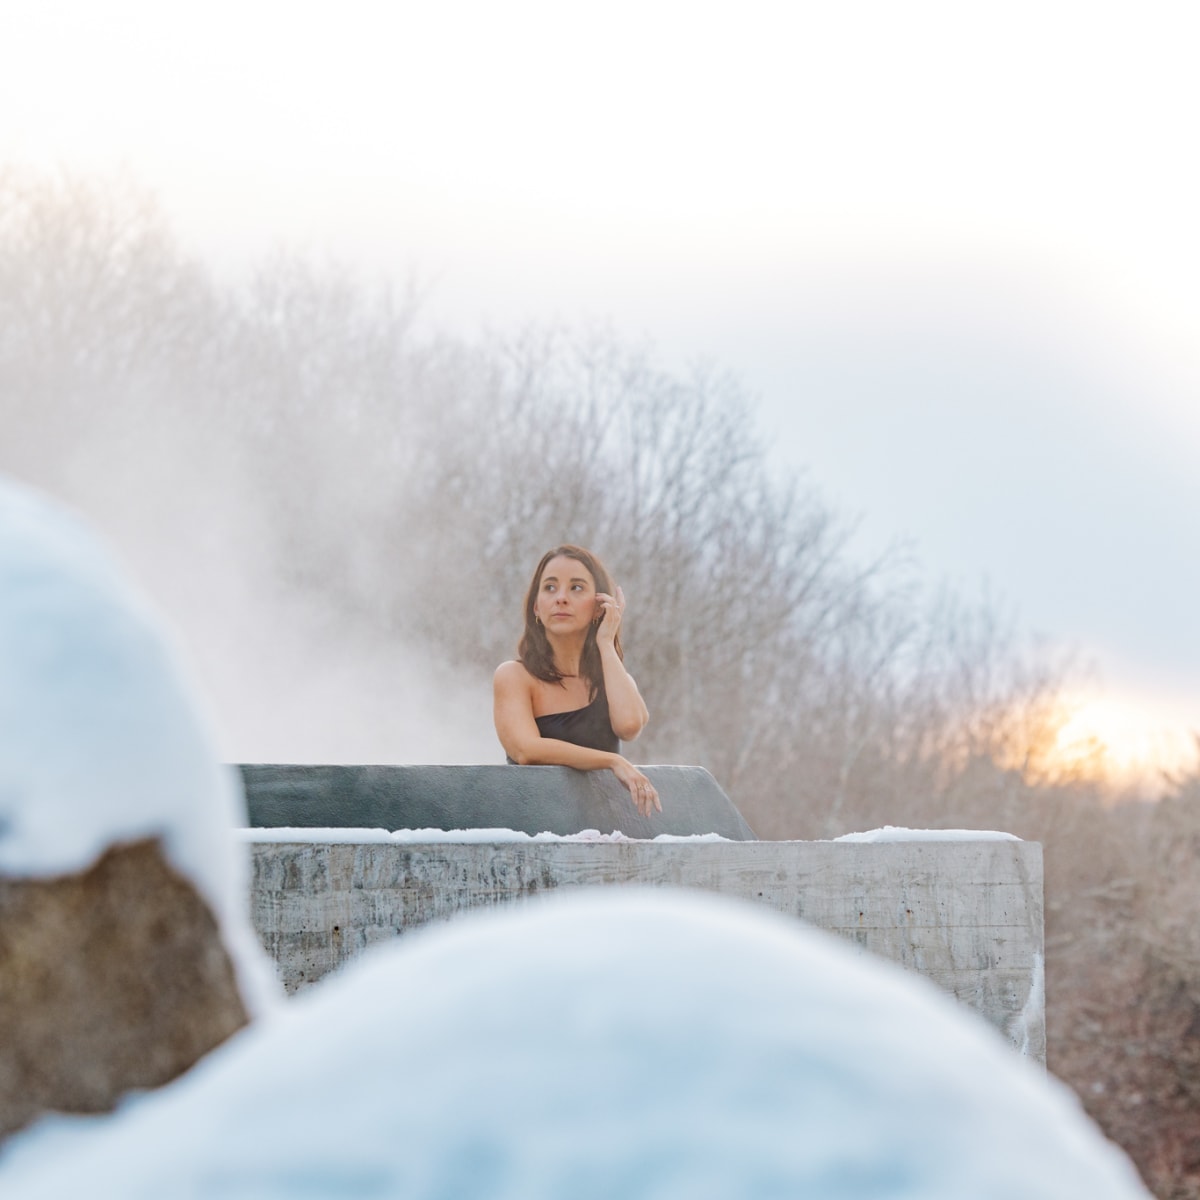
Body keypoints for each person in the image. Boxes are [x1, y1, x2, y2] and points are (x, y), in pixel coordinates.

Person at [494, 545, 661, 817]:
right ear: (536, 606)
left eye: (576, 588)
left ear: (598, 607)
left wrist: (606, 642)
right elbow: (527, 750)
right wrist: (612, 761)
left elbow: (630, 726)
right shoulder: (513, 676)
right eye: (550, 588)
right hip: (534, 826)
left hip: (602, 830)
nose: (561, 598)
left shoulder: (613, 678)